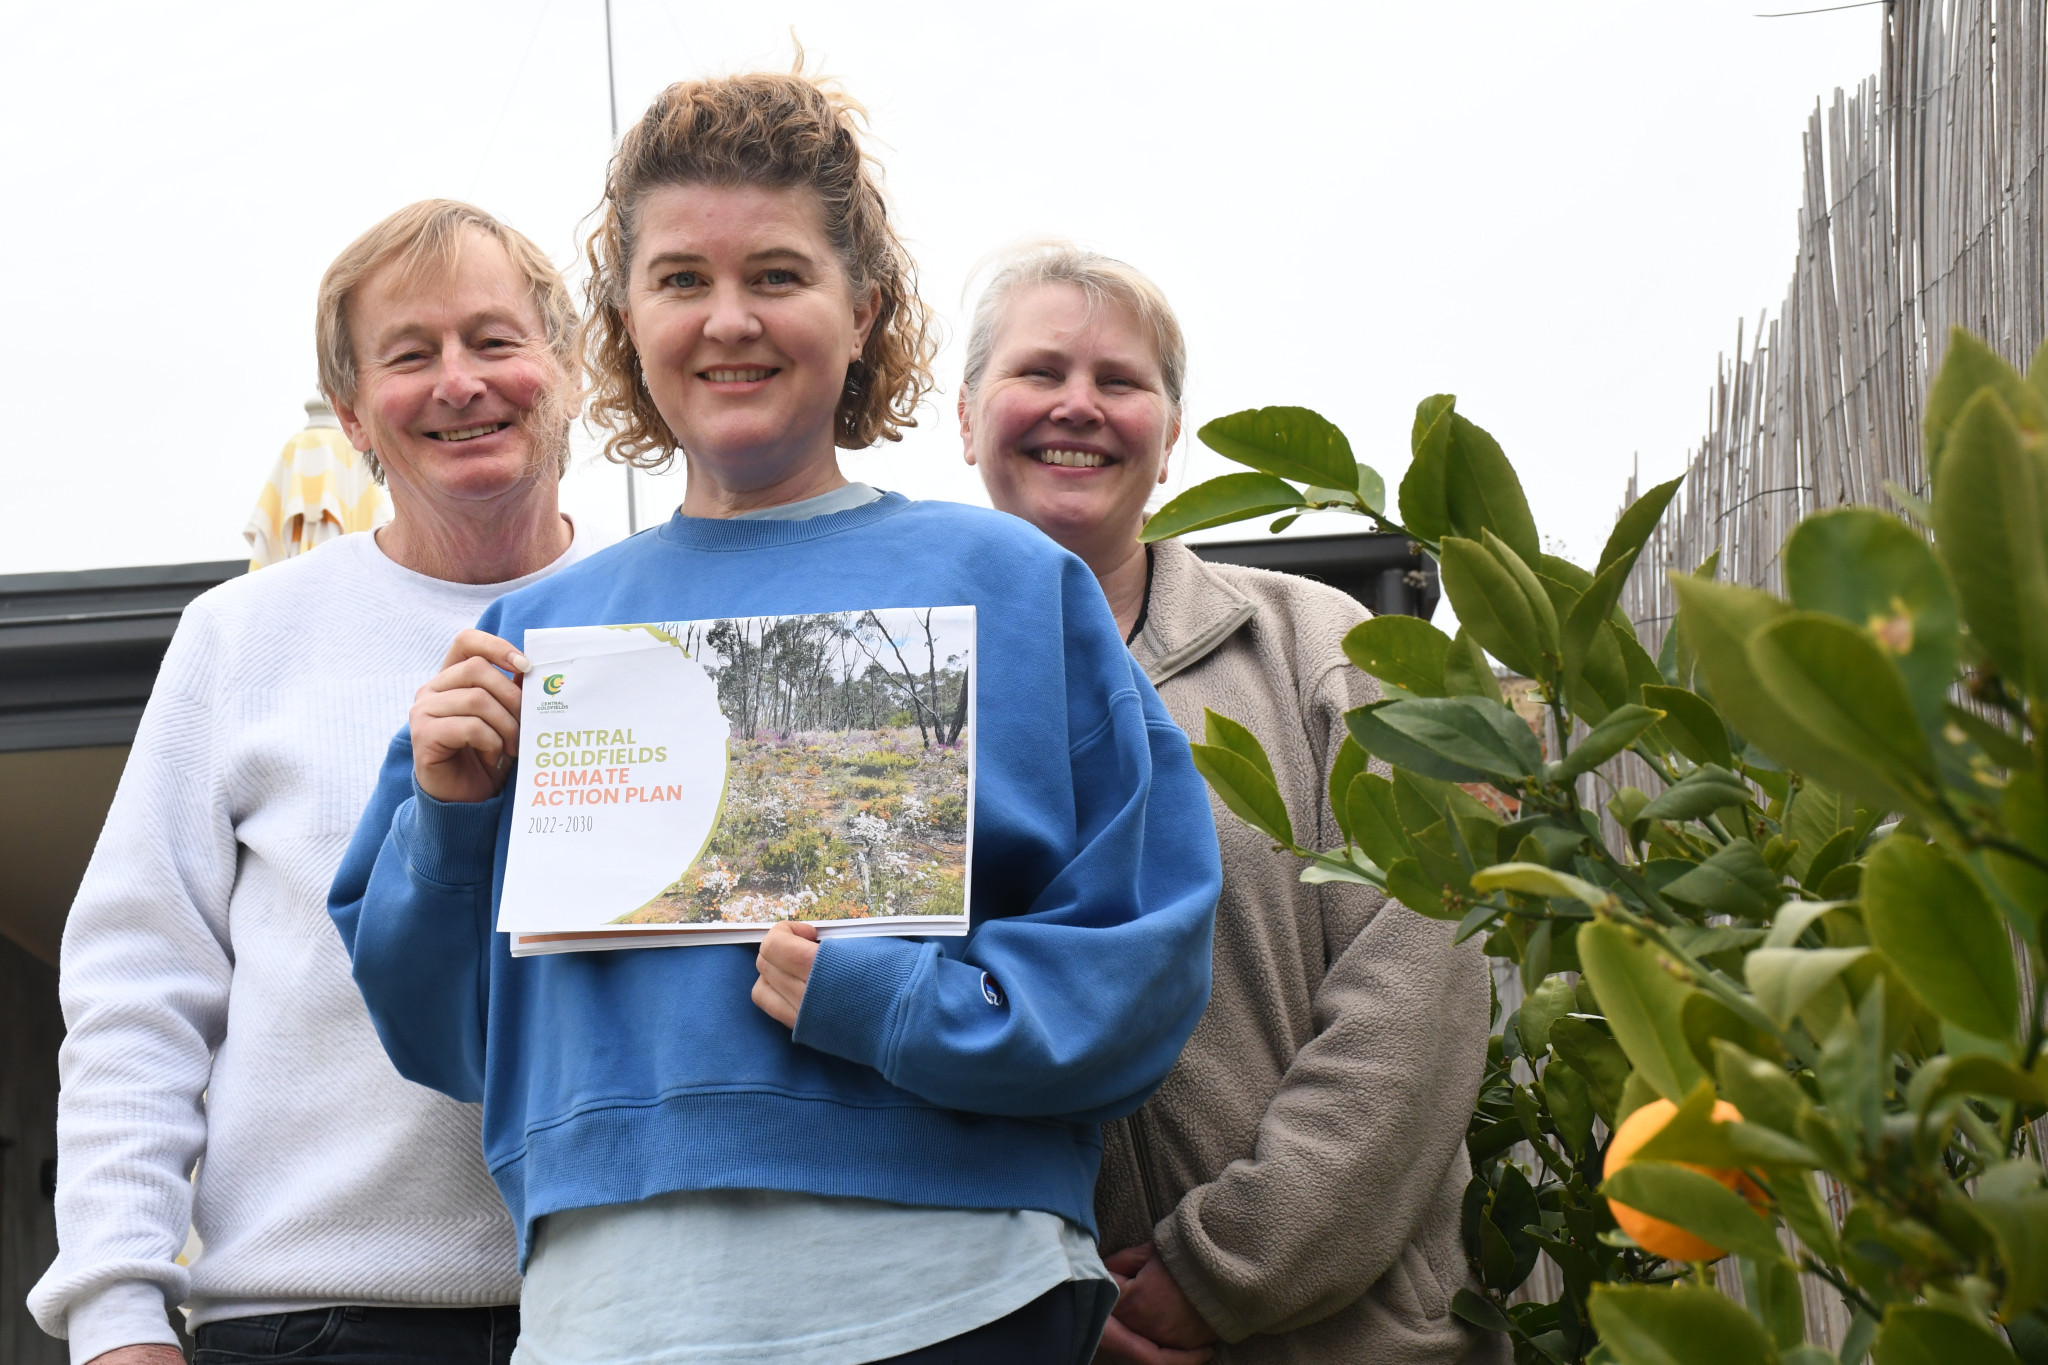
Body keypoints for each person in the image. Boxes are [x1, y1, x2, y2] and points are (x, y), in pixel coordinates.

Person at [327, 71, 1221, 1365]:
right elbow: (447, 1036)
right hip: (612, 1317)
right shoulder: (540, 640)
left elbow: (1141, 964)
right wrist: (449, 826)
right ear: (624, 320)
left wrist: (894, 1002)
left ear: (865, 309)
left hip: (956, 1295)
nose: (728, 319)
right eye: (682, 278)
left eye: (780, 275)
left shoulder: (1018, 592)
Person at [29, 200, 595, 1365]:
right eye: (409, 354)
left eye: (495, 342)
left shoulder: (659, 626)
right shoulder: (240, 639)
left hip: (615, 1311)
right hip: (304, 1320)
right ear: (352, 416)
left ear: (570, 370)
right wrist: (117, 1313)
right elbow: (138, 993)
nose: (458, 383)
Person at [960, 243, 1499, 1365]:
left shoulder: (1321, 647)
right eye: (1039, 372)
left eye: (1120, 381)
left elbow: (1419, 980)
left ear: (1164, 440)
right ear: (968, 419)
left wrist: (1223, 1268)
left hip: (1353, 1340)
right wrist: (1045, 1287)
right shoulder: (909, 701)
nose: (1078, 406)